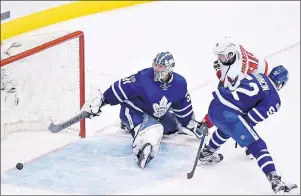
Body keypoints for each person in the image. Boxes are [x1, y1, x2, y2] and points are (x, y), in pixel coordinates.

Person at [82, 51, 207, 169]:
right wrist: (103, 100)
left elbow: (182, 104)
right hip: (134, 110)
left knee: (170, 129)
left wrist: (189, 123)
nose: (157, 69)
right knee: (149, 130)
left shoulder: (179, 83)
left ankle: (137, 127)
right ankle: (141, 142)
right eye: (156, 65)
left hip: (156, 113)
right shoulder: (143, 78)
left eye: (161, 66)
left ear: (170, 68)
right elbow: (120, 87)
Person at [197, 65, 298, 194]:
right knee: (258, 145)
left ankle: (207, 152)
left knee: (228, 128)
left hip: (215, 105)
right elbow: (253, 117)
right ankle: (275, 182)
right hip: (229, 114)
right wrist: (244, 134)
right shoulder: (275, 98)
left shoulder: (258, 75)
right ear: (281, 83)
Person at [200, 36, 270, 159]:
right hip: (260, 67)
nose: (219, 58)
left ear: (230, 54)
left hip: (258, 79)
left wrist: (208, 120)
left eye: (222, 56)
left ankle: (251, 143)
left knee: (236, 118)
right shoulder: (234, 49)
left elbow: (224, 101)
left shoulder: (235, 73)